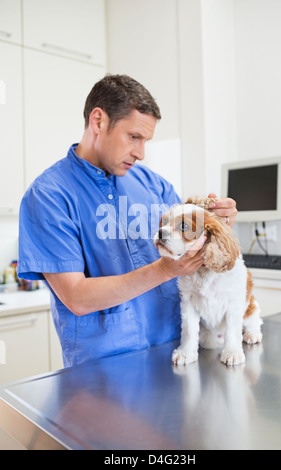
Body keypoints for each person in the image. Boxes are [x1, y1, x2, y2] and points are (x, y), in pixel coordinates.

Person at [18, 74, 237, 368]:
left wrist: (217, 228)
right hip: (103, 368)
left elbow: (190, 240)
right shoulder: (48, 197)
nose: (141, 153)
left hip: (177, 350)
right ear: (98, 122)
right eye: (134, 137)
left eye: (146, 140)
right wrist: (164, 270)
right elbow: (77, 297)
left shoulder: (153, 185)